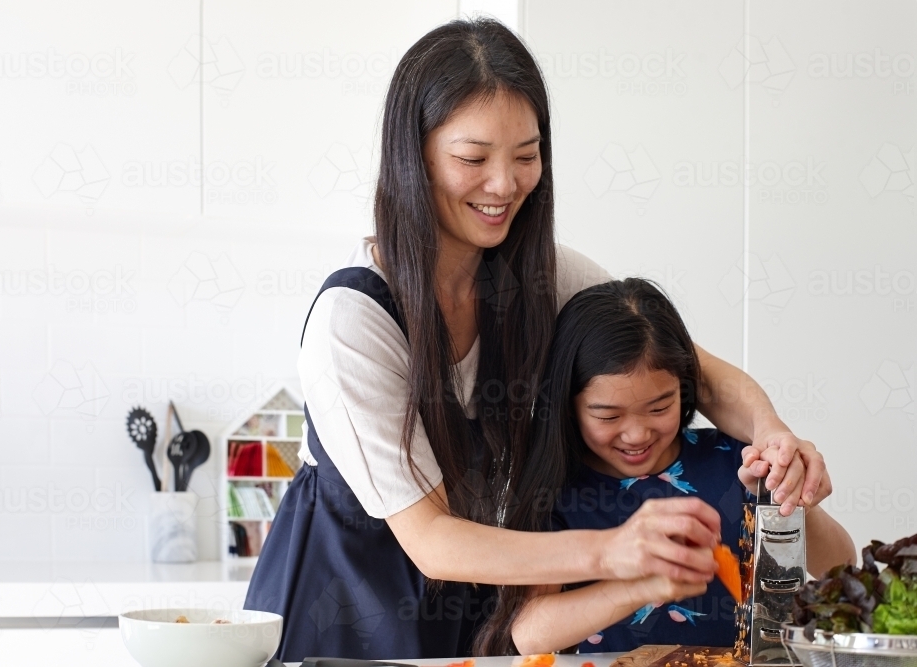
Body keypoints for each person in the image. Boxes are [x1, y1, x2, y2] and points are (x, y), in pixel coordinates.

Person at [244, 18, 830, 661]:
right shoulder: (355, 321)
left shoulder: (545, 277)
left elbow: (699, 372)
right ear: (415, 156)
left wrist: (772, 435)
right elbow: (434, 540)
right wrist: (614, 553)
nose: (505, 185)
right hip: (346, 603)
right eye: (474, 159)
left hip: (482, 588)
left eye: (526, 156)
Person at [476, 278, 855, 655]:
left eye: (659, 408)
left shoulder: (735, 460)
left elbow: (841, 565)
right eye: (608, 416)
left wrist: (791, 498)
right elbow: (528, 634)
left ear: (686, 388)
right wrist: (640, 586)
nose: (637, 434)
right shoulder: (555, 488)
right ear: (567, 405)